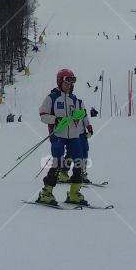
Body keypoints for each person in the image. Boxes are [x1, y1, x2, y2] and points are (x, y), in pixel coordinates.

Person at [37, 69, 90, 205]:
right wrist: (56, 119)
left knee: (79, 162)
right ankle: (46, 193)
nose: (69, 86)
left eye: (71, 84)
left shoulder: (74, 100)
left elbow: (80, 114)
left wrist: (80, 118)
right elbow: (43, 116)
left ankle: (74, 193)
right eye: (66, 83)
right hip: (58, 135)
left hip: (74, 136)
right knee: (58, 162)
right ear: (60, 82)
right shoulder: (52, 98)